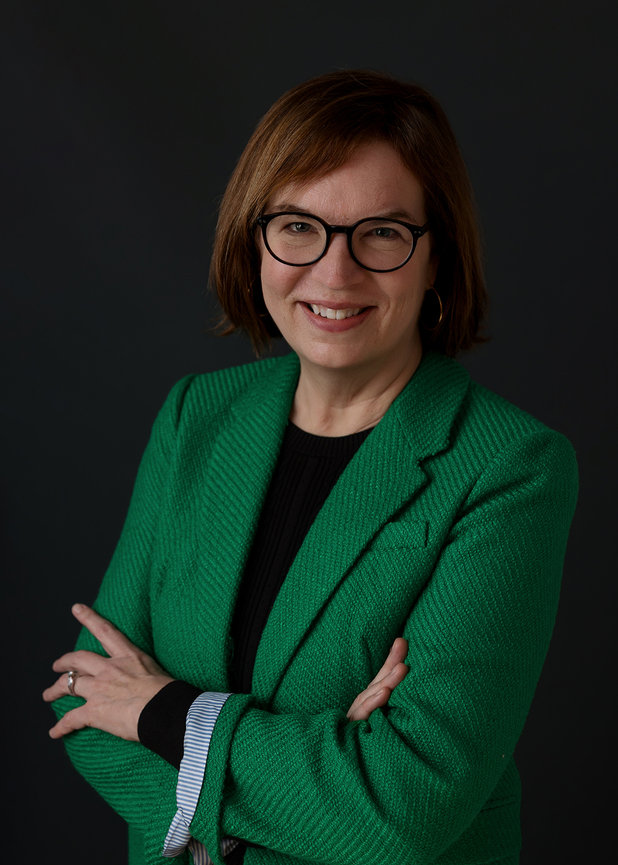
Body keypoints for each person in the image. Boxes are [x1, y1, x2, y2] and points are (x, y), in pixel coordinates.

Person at [43, 69, 578, 865]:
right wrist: (311, 777)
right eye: (299, 226)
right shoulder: (196, 417)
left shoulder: (510, 466)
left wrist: (161, 714)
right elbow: (87, 704)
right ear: (254, 236)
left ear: (437, 257)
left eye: (383, 233)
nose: (335, 273)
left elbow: (404, 802)